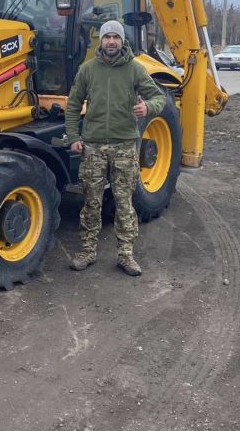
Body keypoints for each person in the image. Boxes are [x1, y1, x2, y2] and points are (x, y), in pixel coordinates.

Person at [64, 20, 165, 276]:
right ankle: (87, 250)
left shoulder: (135, 69)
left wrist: (147, 108)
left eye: (115, 37)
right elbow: (73, 105)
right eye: (107, 37)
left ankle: (126, 254)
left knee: (124, 203)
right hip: (93, 148)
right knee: (91, 202)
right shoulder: (87, 70)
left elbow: (158, 97)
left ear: (122, 41)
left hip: (124, 147)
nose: (111, 41)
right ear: (101, 40)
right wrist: (74, 137)